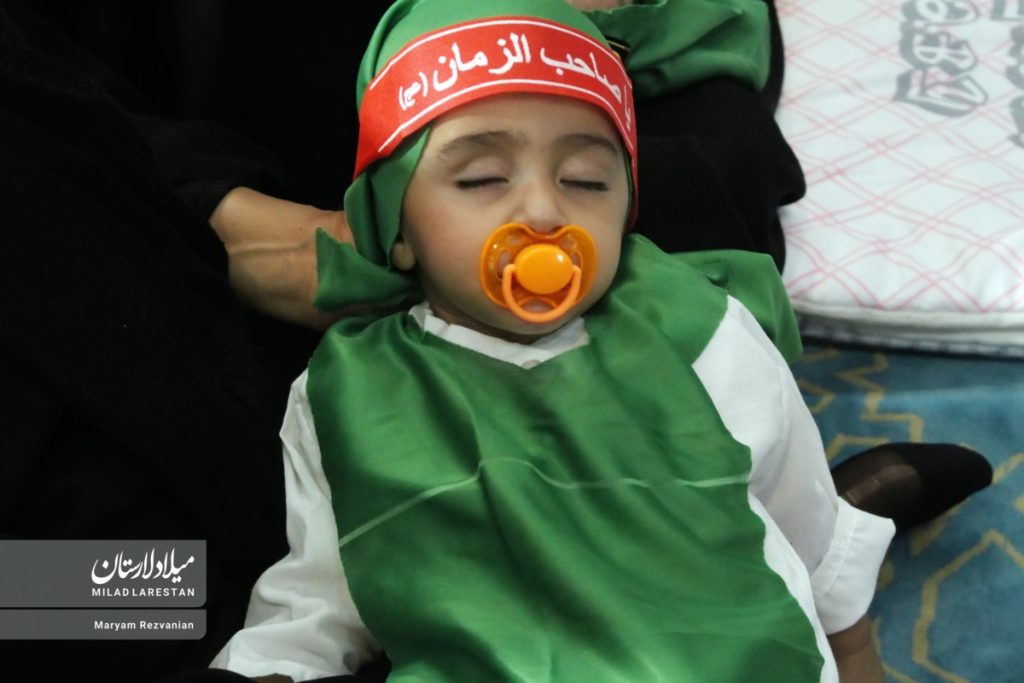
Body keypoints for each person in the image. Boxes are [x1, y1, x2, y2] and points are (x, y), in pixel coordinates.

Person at [211, 1, 896, 680]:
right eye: (482, 179)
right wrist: (273, 663)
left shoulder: (698, 330)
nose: (543, 210)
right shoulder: (350, 393)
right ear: (396, 227)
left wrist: (856, 655)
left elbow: (805, 520)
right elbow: (320, 601)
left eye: (585, 181)